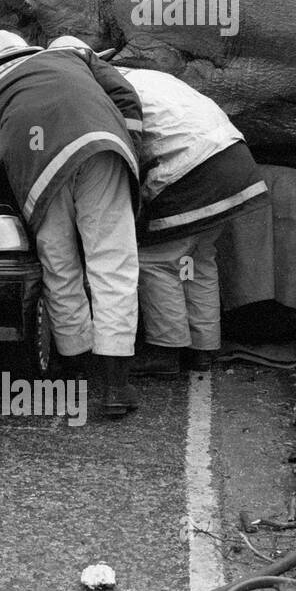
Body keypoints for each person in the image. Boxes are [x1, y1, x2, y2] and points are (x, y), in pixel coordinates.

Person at [0, 30, 144, 418]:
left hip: (35, 171)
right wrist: (132, 146)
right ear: (27, 48)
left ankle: (75, 367)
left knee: (59, 265)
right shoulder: (70, 58)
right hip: (99, 144)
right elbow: (126, 96)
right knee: (111, 261)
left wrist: (10, 200)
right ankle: (116, 385)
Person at [107, 58, 270, 374]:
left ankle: (166, 351)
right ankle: (203, 348)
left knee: (157, 260)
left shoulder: (112, 90)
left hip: (193, 170)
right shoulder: (147, 76)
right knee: (197, 260)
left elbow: (128, 150)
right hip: (233, 159)